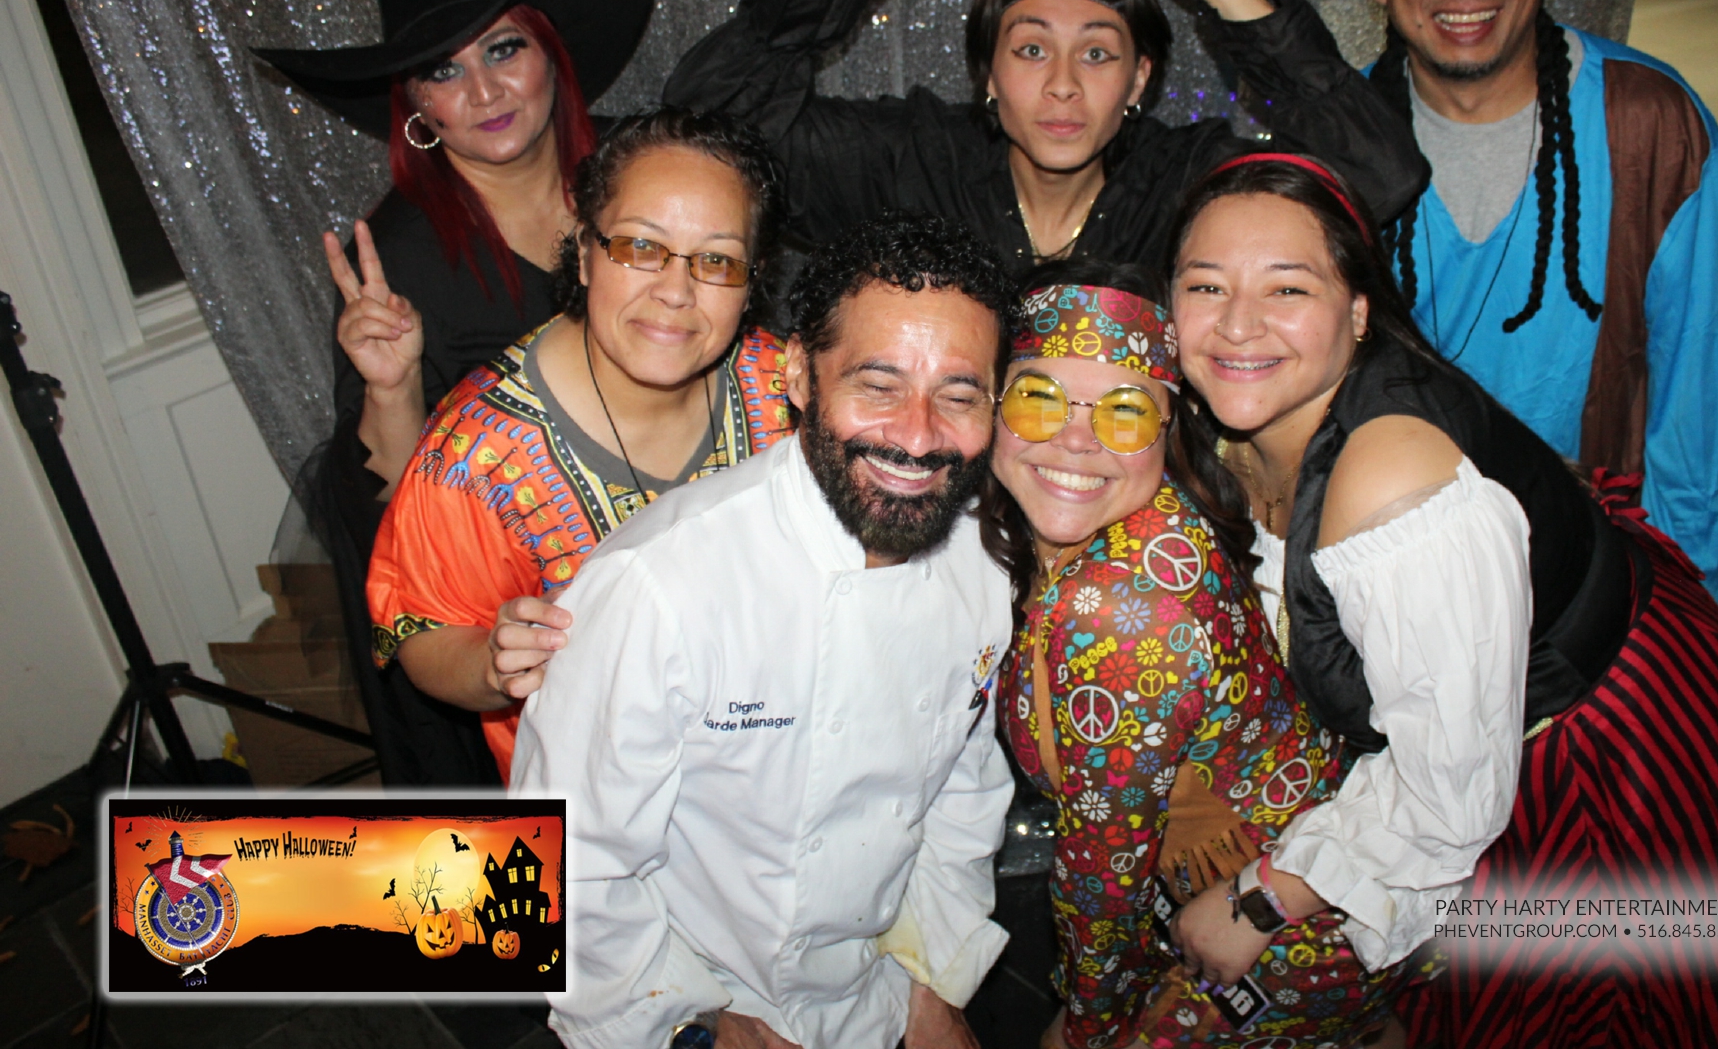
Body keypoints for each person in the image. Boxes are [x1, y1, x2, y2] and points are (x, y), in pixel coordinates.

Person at [1164, 152, 1718, 1048]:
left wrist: (1262, 898)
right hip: (1481, 716)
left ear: (1359, 311)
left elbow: (1450, 797)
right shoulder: (1225, 416)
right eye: (1206, 286)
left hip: (1594, 744)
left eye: (1288, 288)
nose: (1237, 324)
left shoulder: (1394, 487)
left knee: (1572, 1007)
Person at [512, 213, 1018, 1049]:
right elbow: (560, 864)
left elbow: (963, 790)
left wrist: (933, 978)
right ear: (798, 375)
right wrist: (692, 1023)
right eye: (878, 386)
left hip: (881, 997)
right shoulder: (660, 587)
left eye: (959, 396)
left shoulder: (980, 565)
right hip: (686, 1002)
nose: (919, 435)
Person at [251, 0, 653, 782]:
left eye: (503, 49)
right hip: (516, 625)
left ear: (550, 54)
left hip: (665, 561)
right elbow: (401, 515)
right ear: (416, 108)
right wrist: (390, 386)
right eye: (443, 69)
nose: (483, 91)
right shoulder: (397, 259)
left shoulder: (641, 179)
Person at [665, 0, 1425, 285]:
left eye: (1097, 54)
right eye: (1031, 50)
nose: (1063, 84)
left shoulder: (1184, 184)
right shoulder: (912, 162)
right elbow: (703, 128)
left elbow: (1379, 175)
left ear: (1140, 79)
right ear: (988, 74)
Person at [980, 263, 1410, 1048]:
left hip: (1290, 938)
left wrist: (1087, 1024)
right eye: (1039, 398)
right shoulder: (1141, 515)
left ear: (1167, 427)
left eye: (1124, 411)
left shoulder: (1117, 611)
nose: (1075, 440)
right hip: (1219, 900)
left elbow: (1105, 870)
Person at [1355, 0, 1718, 606]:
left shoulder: (1650, 126)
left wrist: (1686, 606)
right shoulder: (1345, 136)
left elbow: (1692, 411)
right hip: (1389, 558)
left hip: (1584, 574)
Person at [365, 109, 791, 785]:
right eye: (641, 247)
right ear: (586, 253)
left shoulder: (789, 394)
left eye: (717, 261)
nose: (675, 292)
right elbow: (425, 634)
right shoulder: (475, 456)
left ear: (752, 278)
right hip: (599, 804)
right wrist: (491, 662)